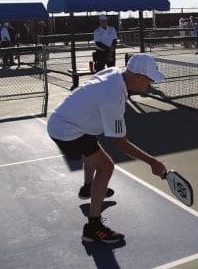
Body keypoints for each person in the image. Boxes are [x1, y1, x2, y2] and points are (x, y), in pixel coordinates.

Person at [47, 53, 168, 243]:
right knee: (106, 166)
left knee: (93, 148)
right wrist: (152, 162)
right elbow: (120, 141)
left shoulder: (114, 72)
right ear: (137, 77)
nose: (151, 83)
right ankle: (93, 227)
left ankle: (88, 188)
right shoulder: (114, 99)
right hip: (67, 130)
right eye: (150, 79)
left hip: (67, 119)